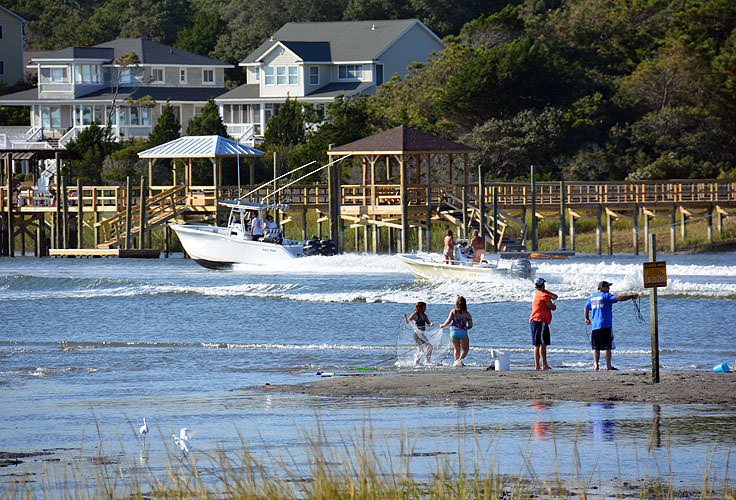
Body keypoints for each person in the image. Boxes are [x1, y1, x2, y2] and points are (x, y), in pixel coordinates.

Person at [584, 281, 639, 371]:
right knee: (607, 347)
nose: (609, 289)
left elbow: (586, 307)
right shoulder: (606, 295)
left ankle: (596, 365)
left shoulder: (592, 298)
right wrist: (631, 296)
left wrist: (587, 318)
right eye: (607, 287)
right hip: (605, 325)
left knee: (596, 347)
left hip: (595, 326)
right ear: (601, 287)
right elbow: (619, 298)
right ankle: (608, 365)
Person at [529, 277, 558, 370]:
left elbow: (554, 295)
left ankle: (540, 365)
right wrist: (552, 300)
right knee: (541, 344)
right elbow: (553, 307)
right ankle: (542, 365)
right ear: (543, 285)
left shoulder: (537, 293)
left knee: (540, 344)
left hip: (537, 320)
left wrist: (550, 296)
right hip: (540, 321)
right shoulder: (544, 296)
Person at [440, 296, 473, 367]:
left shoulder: (453, 311)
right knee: (465, 348)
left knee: (456, 349)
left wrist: (442, 325)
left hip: (453, 332)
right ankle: (460, 361)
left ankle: (456, 362)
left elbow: (448, 321)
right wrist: (465, 328)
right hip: (462, 332)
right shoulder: (467, 314)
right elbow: (470, 325)